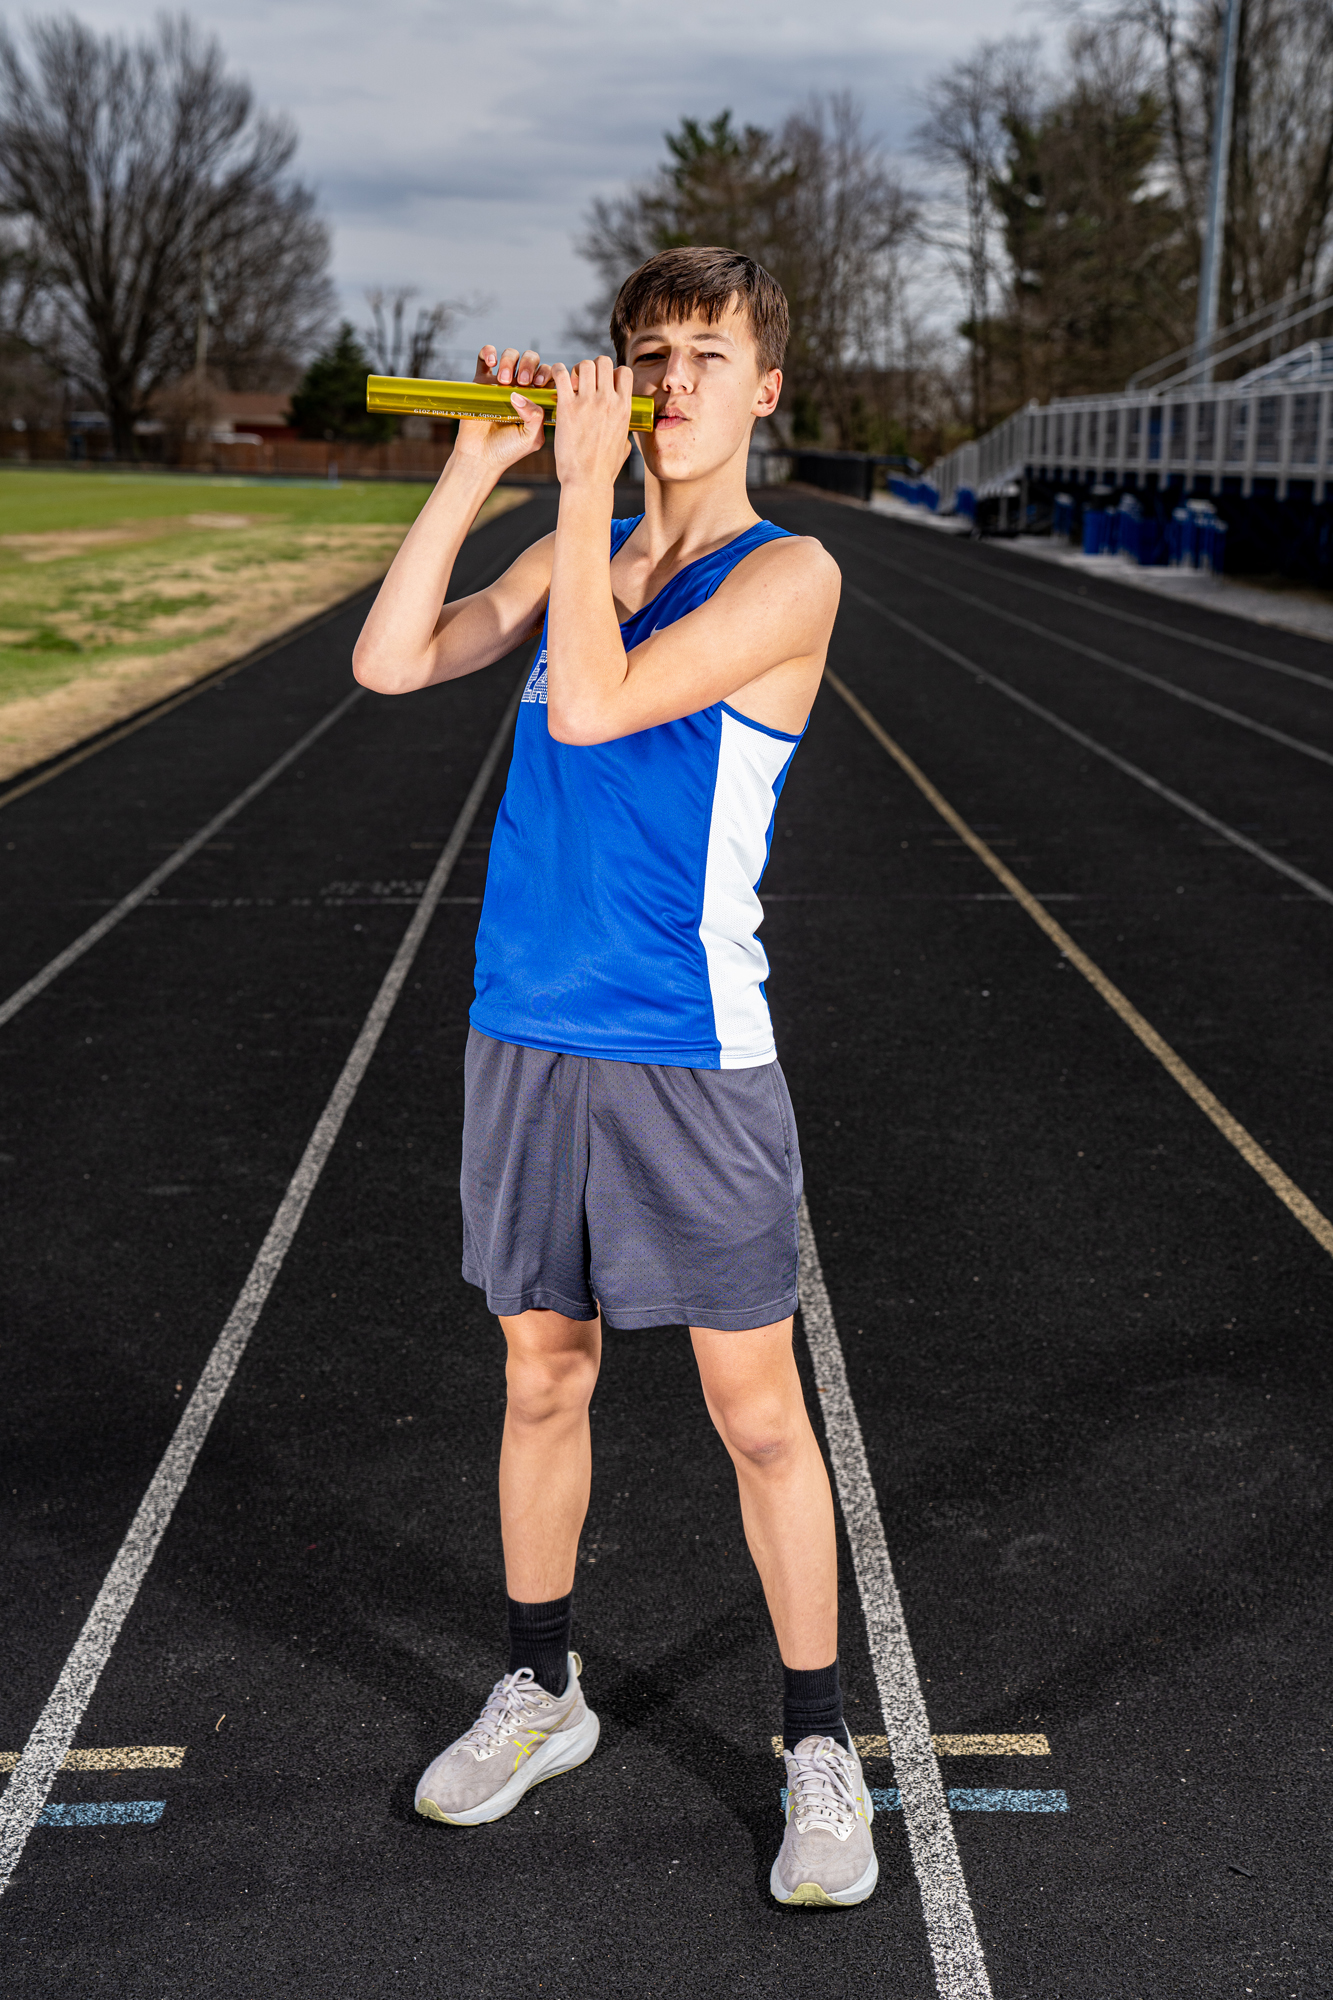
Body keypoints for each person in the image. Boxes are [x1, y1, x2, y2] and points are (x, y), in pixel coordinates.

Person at [352, 246, 875, 1908]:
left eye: (706, 353)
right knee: (540, 1380)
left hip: (688, 1047)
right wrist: (475, 471)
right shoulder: (571, 548)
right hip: (524, 1027)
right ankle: (541, 1690)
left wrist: (580, 497)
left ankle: (818, 1747)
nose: (671, 381)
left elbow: (589, 704)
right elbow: (388, 661)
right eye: (648, 351)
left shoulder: (787, 576)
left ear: (765, 386)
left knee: (757, 1416)